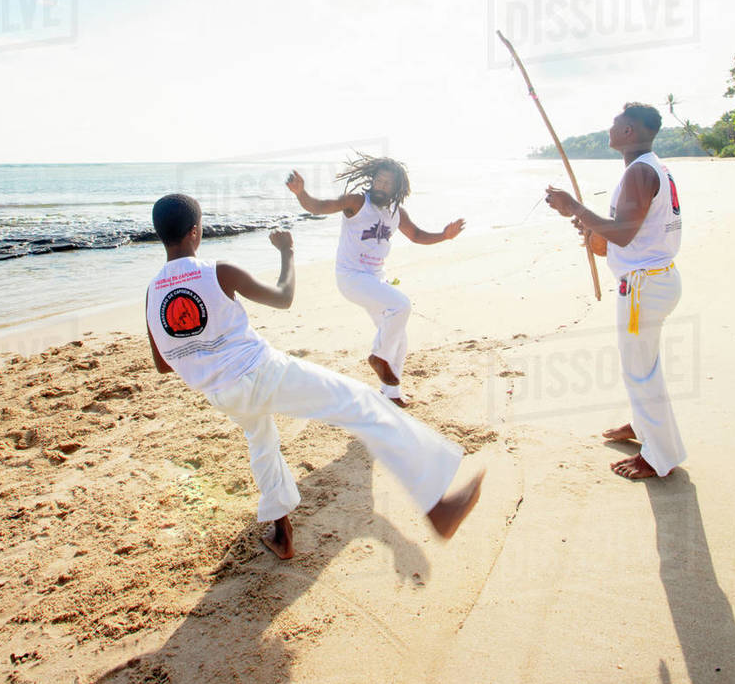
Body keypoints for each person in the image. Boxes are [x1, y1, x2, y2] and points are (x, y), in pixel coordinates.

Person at [145, 193, 483, 559]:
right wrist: (286, 251)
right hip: (261, 372)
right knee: (363, 403)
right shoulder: (217, 271)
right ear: (196, 232)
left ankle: (282, 535)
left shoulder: (152, 293)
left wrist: (203, 353)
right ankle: (438, 506)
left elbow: (164, 364)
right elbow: (283, 297)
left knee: (262, 445)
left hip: (222, 393)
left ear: (161, 235)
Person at [545, 103, 685, 480]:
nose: (609, 127)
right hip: (655, 278)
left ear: (629, 132)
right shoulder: (650, 166)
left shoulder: (640, 171)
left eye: (615, 123)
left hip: (644, 286)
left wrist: (575, 206)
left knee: (641, 372)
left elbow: (623, 232)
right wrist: (591, 226)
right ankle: (644, 427)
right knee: (640, 367)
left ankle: (660, 456)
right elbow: (626, 230)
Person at [286, 155, 465, 407]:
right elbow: (319, 206)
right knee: (401, 306)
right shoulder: (357, 202)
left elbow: (415, 235)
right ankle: (378, 358)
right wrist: (301, 192)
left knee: (399, 338)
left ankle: (390, 393)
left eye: (387, 183)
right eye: (378, 180)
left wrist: (444, 236)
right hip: (351, 276)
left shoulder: (396, 213)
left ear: (397, 188)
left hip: (375, 279)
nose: (380, 186)